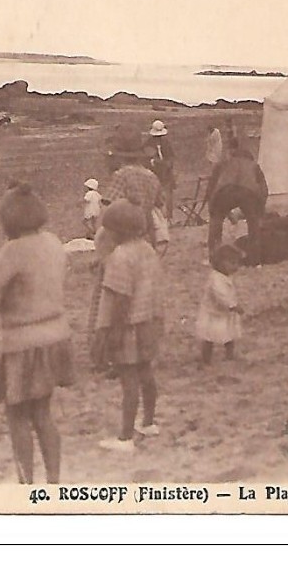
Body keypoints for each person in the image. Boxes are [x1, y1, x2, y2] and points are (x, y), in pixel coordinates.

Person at [0, 183, 74, 484]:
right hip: (56, 335)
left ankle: (26, 484)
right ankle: (54, 480)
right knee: (43, 414)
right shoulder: (54, 243)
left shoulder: (12, 251)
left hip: (22, 342)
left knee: (17, 414)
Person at [94, 201, 164, 453]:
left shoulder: (120, 257)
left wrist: (113, 332)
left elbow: (120, 297)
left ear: (115, 231)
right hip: (149, 320)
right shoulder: (148, 250)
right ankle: (149, 421)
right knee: (146, 373)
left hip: (128, 325)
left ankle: (125, 437)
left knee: (129, 379)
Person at [206, 141, 269, 265]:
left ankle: (213, 256)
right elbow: (264, 190)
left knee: (216, 222)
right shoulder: (254, 165)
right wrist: (259, 210)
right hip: (248, 192)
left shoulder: (223, 164)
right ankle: (255, 261)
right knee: (253, 225)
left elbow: (211, 186)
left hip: (225, 190)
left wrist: (213, 209)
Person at [195, 244, 244, 365]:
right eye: (232, 263)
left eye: (237, 263)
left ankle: (230, 354)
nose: (236, 267)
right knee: (209, 336)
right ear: (221, 263)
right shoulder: (216, 279)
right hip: (214, 313)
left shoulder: (224, 276)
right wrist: (232, 305)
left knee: (230, 333)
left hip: (224, 312)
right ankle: (206, 358)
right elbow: (221, 295)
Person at [146, 120, 176, 225]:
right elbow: (146, 158)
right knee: (155, 196)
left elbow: (171, 158)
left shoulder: (166, 143)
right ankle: (157, 219)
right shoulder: (148, 143)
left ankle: (168, 218)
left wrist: (163, 163)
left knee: (168, 196)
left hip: (166, 174)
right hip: (154, 174)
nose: (158, 138)